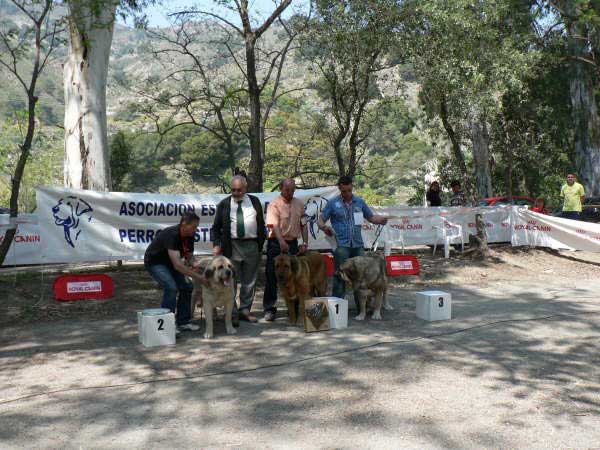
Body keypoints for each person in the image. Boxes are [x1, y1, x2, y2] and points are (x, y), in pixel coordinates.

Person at [317, 176, 388, 300]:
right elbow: (321, 220)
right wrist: (324, 227)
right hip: (341, 246)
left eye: (349, 190)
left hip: (357, 245)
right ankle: (338, 303)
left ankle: (361, 307)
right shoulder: (333, 203)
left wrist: (380, 220)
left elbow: (371, 217)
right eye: (344, 191)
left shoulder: (359, 202)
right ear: (340, 189)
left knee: (361, 276)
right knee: (340, 275)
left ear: (352, 187)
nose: (347, 193)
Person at [211, 175, 266, 323]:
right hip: (232, 246)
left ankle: (245, 311)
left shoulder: (254, 201)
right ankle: (232, 312)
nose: (235, 193)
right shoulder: (224, 204)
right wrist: (216, 245)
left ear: (245, 188)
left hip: (252, 245)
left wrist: (260, 243)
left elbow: (260, 223)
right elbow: (215, 228)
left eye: (239, 190)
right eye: (233, 190)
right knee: (230, 281)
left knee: (250, 281)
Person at [144, 211, 206, 332]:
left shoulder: (190, 235)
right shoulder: (172, 234)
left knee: (187, 286)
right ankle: (168, 325)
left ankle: (183, 322)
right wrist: (199, 278)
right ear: (184, 224)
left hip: (171, 264)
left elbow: (189, 256)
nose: (196, 229)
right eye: (194, 226)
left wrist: (196, 265)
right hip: (155, 263)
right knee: (171, 287)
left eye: (197, 227)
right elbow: (178, 265)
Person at [262, 178, 309, 322]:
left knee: (294, 276)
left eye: (293, 190)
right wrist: (281, 242)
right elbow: (274, 226)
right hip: (276, 243)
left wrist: (305, 242)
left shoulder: (299, 203)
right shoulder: (274, 205)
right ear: (281, 188)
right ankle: (270, 309)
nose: (290, 192)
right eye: (287, 190)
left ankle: (293, 310)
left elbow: (304, 224)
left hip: (293, 243)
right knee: (272, 275)